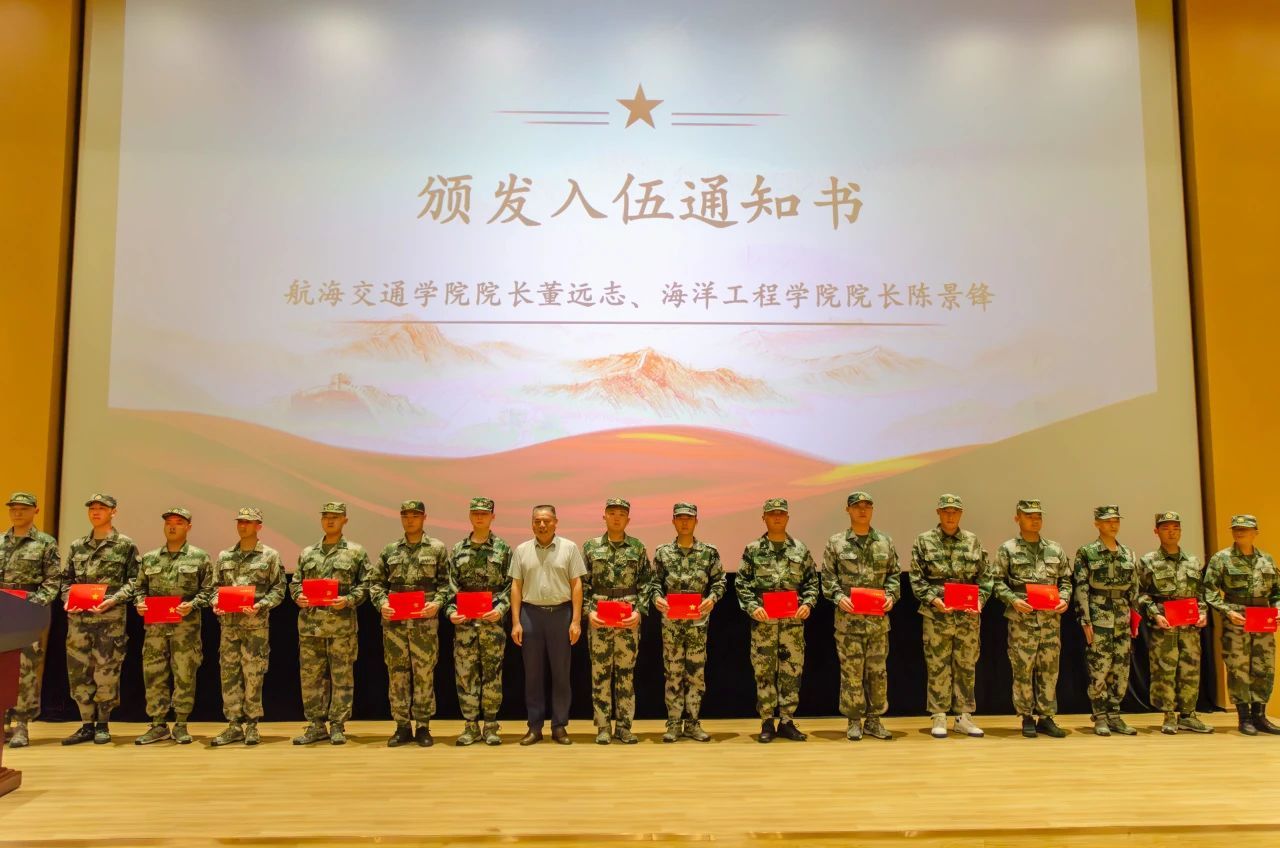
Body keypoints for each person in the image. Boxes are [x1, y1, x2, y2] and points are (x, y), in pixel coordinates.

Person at [735, 497, 819, 743]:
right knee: (764, 673)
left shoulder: (800, 549)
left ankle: (787, 721)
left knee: (791, 672)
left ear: (788, 517)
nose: (777, 517)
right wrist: (753, 607)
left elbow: (811, 582)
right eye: (772, 514)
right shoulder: (753, 550)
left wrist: (807, 604)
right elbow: (741, 584)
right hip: (764, 625)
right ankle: (767, 722)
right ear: (764, 518)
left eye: (781, 513)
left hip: (792, 625)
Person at [60, 493, 141, 745]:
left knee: (107, 671)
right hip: (79, 620)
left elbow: (135, 581)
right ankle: (86, 724)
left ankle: (103, 724)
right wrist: (67, 598)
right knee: (78, 670)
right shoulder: (77, 546)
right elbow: (66, 579)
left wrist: (115, 599)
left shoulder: (125, 545)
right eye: (92, 508)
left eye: (102, 508)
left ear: (113, 512)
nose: (96, 512)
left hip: (110, 619)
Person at [369, 499, 449, 748]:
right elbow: (376, 584)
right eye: (406, 516)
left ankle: (423, 725)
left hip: (424, 624)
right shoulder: (390, 550)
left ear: (424, 517)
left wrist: (437, 604)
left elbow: (446, 585)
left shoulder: (437, 548)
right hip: (395, 625)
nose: (410, 520)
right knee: (397, 675)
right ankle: (402, 726)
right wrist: (382, 603)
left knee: (424, 674)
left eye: (415, 515)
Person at [820, 491, 899, 741]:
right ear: (848, 510)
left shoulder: (885, 542)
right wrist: (838, 597)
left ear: (872, 510)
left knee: (878, 673)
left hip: (877, 623)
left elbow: (894, 575)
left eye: (867, 506)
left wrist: (891, 596)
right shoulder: (836, 543)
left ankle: (874, 721)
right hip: (848, 622)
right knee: (851, 673)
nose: (862, 510)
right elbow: (828, 577)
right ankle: (854, 720)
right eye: (857, 506)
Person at [910, 493, 990, 739]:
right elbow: (916, 578)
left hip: (967, 616)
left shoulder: (973, 541)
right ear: (938, 512)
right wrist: (933, 599)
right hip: (937, 615)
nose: (950, 515)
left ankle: (964, 716)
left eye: (955, 511)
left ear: (961, 513)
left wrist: (979, 600)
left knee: (966, 665)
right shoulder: (924, 541)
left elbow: (985, 577)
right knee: (937, 665)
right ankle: (939, 715)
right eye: (946, 511)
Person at [989, 499, 1070, 738]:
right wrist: (1013, 600)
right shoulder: (1008, 549)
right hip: (1022, 620)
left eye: (1038, 516)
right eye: (1029, 516)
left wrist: (1065, 598)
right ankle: (1026, 716)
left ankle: (1046, 717)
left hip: (1050, 621)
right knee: (1022, 669)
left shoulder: (1055, 549)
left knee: (1050, 670)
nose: (1035, 520)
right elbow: (996, 582)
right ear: (1017, 518)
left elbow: (1066, 580)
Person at [290, 502, 369, 746]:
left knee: (342, 677)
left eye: (335, 517)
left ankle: (337, 725)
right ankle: (316, 725)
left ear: (345, 520)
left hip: (341, 627)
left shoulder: (356, 552)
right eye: (326, 517)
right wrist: (298, 597)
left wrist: (348, 600)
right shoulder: (308, 553)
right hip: (311, 627)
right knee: (311, 679)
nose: (330, 521)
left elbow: (366, 585)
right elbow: (295, 583)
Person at [133, 508, 214, 745]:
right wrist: (140, 603)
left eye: (178, 522)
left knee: (184, 673)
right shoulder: (150, 558)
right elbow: (139, 588)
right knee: (154, 673)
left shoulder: (200, 557)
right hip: (155, 629)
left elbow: (209, 591)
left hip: (185, 628)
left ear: (188, 527)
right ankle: (158, 724)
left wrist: (192, 604)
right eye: (168, 522)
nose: (172, 526)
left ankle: (180, 723)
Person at [509, 504, 585, 745]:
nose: (542, 525)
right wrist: (516, 622)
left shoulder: (569, 548)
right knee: (533, 675)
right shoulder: (521, 550)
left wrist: (576, 620)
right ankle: (535, 727)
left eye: (547, 520)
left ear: (556, 522)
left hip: (561, 615)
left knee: (561, 674)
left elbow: (576, 585)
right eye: (537, 521)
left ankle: (559, 726)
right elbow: (516, 586)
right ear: (532, 523)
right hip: (530, 616)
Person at [649, 502, 724, 743]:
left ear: (696, 521)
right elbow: (654, 583)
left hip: (697, 623)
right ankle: (673, 723)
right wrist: (657, 598)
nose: (684, 522)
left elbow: (720, 581)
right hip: (671, 623)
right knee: (673, 673)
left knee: (696, 674)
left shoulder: (709, 552)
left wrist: (712, 598)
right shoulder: (663, 552)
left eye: (689, 518)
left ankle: (692, 723)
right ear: (673, 521)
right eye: (680, 518)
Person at [210, 507, 285, 747]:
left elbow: (279, 589)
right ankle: (234, 725)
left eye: (248, 522)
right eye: (240, 521)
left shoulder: (270, 556)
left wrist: (261, 605)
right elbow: (214, 588)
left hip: (255, 627)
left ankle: (252, 725)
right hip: (229, 627)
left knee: (253, 675)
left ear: (258, 526)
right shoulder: (225, 556)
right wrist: (216, 602)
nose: (243, 526)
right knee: (229, 675)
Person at [581, 498, 653, 745]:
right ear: (604, 516)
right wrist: (588, 612)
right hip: (599, 617)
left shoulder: (637, 547)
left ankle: (624, 726)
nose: (616, 518)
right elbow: (583, 584)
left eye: (621, 514)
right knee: (600, 674)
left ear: (628, 519)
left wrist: (639, 611)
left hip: (627, 618)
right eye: (611, 513)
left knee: (626, 674)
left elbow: (646, 583)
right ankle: (603, 726)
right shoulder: (591, 547)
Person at [444, 497, 512, 746]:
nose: (480, 517)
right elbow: (450, 586)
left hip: (491, 623)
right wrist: (451, 611)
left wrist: (501, 609)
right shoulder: (457, 549)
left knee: (493, 675)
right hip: (464, 624)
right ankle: (471, 726)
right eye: (475, 513)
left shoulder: (503, 549)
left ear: (493, 516)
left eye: (484, 513)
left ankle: (491, 726)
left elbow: (511, 586)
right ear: (470, 516)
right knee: (465, 675)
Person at [1137, 511, 1212, 735]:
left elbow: (1201, 593)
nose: (1171, 532)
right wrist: (1154, 614)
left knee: (1190, 669)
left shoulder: (1193, 560)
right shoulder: (1149, 561)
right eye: (1166, 528)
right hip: (1164, 624)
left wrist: (1203, 612)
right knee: (1164, 670)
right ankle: (1169, 715)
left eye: (1175, 528)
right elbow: (1140, 594)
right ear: (1156, 531)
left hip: (1189, 625)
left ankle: (1188, 715)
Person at [1204, 514, 1280, 735]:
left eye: (1245, 529)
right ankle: (1244, 717)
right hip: (1237, 617)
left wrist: (1278, 607)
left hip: (1262, 617)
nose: (1239, 532)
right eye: (1236, 528)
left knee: (1264, 666)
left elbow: (1277, 591)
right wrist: (1227, 611)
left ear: (1255, 532)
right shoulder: (1221, 558)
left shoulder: (1267, 559)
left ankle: (1260, 716)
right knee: (1238, 667)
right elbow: (1208, 591)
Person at [1072, 505, 1139, 736]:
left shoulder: (1128, 553)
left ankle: (1115, 715)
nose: (1113, 524)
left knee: (1121, 668)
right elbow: (1081, 587)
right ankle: (1100, 715)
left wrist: (1134, 618)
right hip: (1099, 615)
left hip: (1122, 616)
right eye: (1108, 521)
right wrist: (1085, 620)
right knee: (1099, 667)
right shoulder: (1087, 552)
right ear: (1097, 524)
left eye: (1116, 520)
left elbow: (1134, 588)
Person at [1, 492, 60, 749]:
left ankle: (22, 724)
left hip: (26, 612)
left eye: (23, 508)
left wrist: (32, 605)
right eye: (13, 508)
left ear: (35, 511)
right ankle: (2, 723)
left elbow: (52, 581)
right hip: (2, 611)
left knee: (25, 669)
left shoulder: (45, 543)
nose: (17, 512)